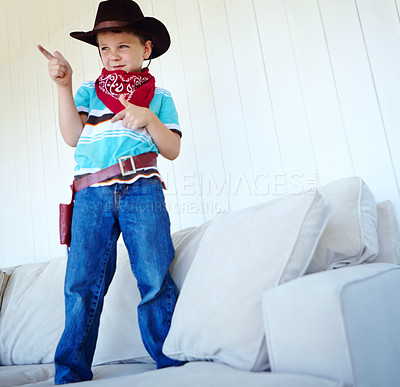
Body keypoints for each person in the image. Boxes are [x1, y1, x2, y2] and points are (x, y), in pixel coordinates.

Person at [38, 0, 182, 383]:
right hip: (91, 195)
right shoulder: (87, 90)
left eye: (123, 46)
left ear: (145, 48)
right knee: (82, 283)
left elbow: (172, 149)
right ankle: (70, 371)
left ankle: (168, 361)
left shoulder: (160, 97)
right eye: (105, 48)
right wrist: (64, 85)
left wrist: (149, 117)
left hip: (142, 191)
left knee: (153, 275)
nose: (113, 56)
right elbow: (72, 136)